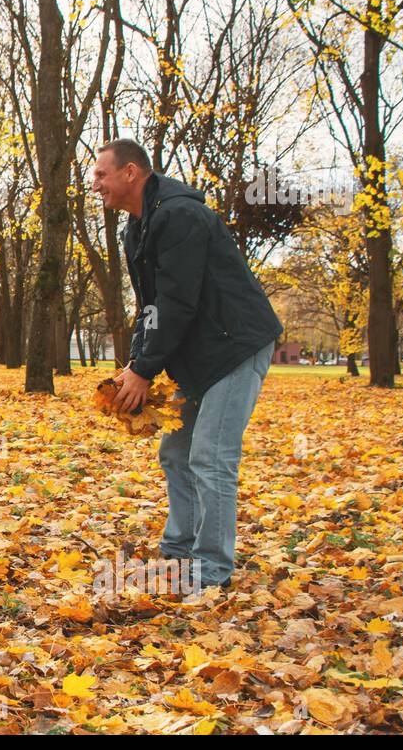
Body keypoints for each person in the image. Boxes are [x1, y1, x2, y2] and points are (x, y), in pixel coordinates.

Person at [92, 138, 283, 592]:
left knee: (210, 458)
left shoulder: (180, 216)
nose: (95, 183)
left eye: (102, 174)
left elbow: (179, 301)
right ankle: (179, 553)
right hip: (195, 354)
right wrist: (135, 365)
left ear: (131, 173)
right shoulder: (135, 229)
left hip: (234, 348)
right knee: (176, 452)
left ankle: (211, 569)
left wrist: (145, 369)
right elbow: (151, 306)